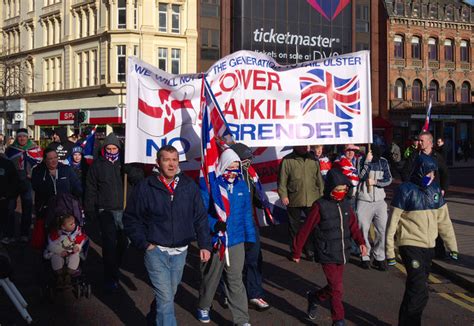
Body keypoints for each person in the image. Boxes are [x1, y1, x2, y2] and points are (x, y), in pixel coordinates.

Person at [123, 145, 211, 326]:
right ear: (158, 163)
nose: (171, 165)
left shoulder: (188, 185)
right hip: (156, 251)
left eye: (174, 160)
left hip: (181, 252)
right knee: (165, 299)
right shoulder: (145, 187)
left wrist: (204, 244)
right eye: (166, 160)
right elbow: (131, 218)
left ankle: (152, 319)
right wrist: (145, 244)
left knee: (168, 296)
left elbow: (200, 217)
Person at [386, 154, 458, 326]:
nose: (431, 177)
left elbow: (444, 222)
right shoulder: (405, 190)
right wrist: (389, 252)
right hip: (409, 245)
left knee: (414, 288)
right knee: (420, 290)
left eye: (433, 174)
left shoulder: (435, 192)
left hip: (428, 247)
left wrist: (452, 247)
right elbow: (392, 224)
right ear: (419, 171)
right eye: (428, 173)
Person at [292, 168, 367, 326]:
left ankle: (315, 297)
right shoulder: (320, 206)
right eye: (337, 190)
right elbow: (305, 229)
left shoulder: (346, 205)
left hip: (342, 251)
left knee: (334, 287)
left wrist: (361, 242)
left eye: (343, 190)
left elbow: (353, 226)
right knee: (337, 289)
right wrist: (297, 251)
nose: (341, 192)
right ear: (331, 189)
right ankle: (338, 320)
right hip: (326, 252)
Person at [197, 148, 256, 325]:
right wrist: (214, 225)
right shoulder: (211, 185)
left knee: (235, 279)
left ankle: (242, 319)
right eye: (229, 167)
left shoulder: (241, 186)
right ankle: (203, 306)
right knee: (211, 277)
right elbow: (201, 213)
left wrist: (250, 237)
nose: (233, 172)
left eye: (236, 167)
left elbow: (247, 213)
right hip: (216, 239)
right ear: (222, 167)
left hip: (236, 240)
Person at [84, 132, 143, 292]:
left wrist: (129, 170)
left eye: (114, 148)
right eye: (108, 148)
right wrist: (89, 209)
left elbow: (140, 179)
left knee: (124, 242)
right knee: (109, 244)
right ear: (104, 149)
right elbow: (90, 189)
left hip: (124, 210)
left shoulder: (126, 163)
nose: (111, 151)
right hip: (106, 210)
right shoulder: (97, 166)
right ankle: (110, 276)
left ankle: (114, 265)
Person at [230, 143, 270, 311]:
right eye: (245, 160)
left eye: (249, 159)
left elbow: (256, 199)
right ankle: (228, 293)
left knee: (254, 259)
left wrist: (262, 200)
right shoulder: (224, 175)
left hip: (250, 224)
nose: (248, 163)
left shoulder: (251, 175)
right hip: (231, 225)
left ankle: (254, 294)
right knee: (231, 263)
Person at [278, 146, 324, 260]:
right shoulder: (287, 160)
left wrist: (322, 195)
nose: (306, 148)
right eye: (303, 145)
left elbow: (319, 179)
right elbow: (282, 180)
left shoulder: (313, 160)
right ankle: (295, 252)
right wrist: (283, 195)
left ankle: (310, 251)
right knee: (294, 227)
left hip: (313, 199)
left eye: (307, 145)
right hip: (294, 198)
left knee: (312, 227)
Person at [355, 144, 392, 270]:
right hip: (364, 200)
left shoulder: (383, 162)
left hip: (380, 201)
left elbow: (389, 179)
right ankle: (365, 255)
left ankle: (379, 257)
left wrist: (376, 182)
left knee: (381, 229)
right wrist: (367, 162)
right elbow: (360, 176)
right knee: (362, 228)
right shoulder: (361, 160)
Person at [4, 128, 42, 243]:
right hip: (13, 183)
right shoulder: (11, 150)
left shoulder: (35, 149)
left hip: (27, 182)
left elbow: (40, 165)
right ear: (17, 137)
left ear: (27, 137)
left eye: (24, 136)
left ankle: (24, 233)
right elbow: (5, 166)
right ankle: (9, 234)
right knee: (9, 208)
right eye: (20, 136)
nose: (22, 138)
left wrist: (33, 174)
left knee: (27, 208)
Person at [31, 148, 83, 221]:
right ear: (45, 160)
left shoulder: (66, 169)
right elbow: (36, 187)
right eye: (50, 158)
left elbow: (77, 187)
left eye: (55, 157)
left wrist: (76, 202)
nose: (54, 160)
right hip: (46, 208)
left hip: (66, 208)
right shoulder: (38, 171)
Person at [44, 214, 87, 286]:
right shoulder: (56, 234)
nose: (74, 225)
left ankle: (69, 273)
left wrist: (78, 246)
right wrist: (59, 251)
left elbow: (81, 239)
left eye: (74, 223)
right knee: (55, 258)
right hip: (59, 253)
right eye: (71, 224)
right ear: (63, 227)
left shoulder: (76, 232)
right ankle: (59, 274)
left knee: (75, 257)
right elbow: (51, 245)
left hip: (71, 253)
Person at [0, 156, 19, 244]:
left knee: (8, 216)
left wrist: (7, 195)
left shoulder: (7, 164)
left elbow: (14, 182)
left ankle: (8, 235)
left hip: (5, 198)